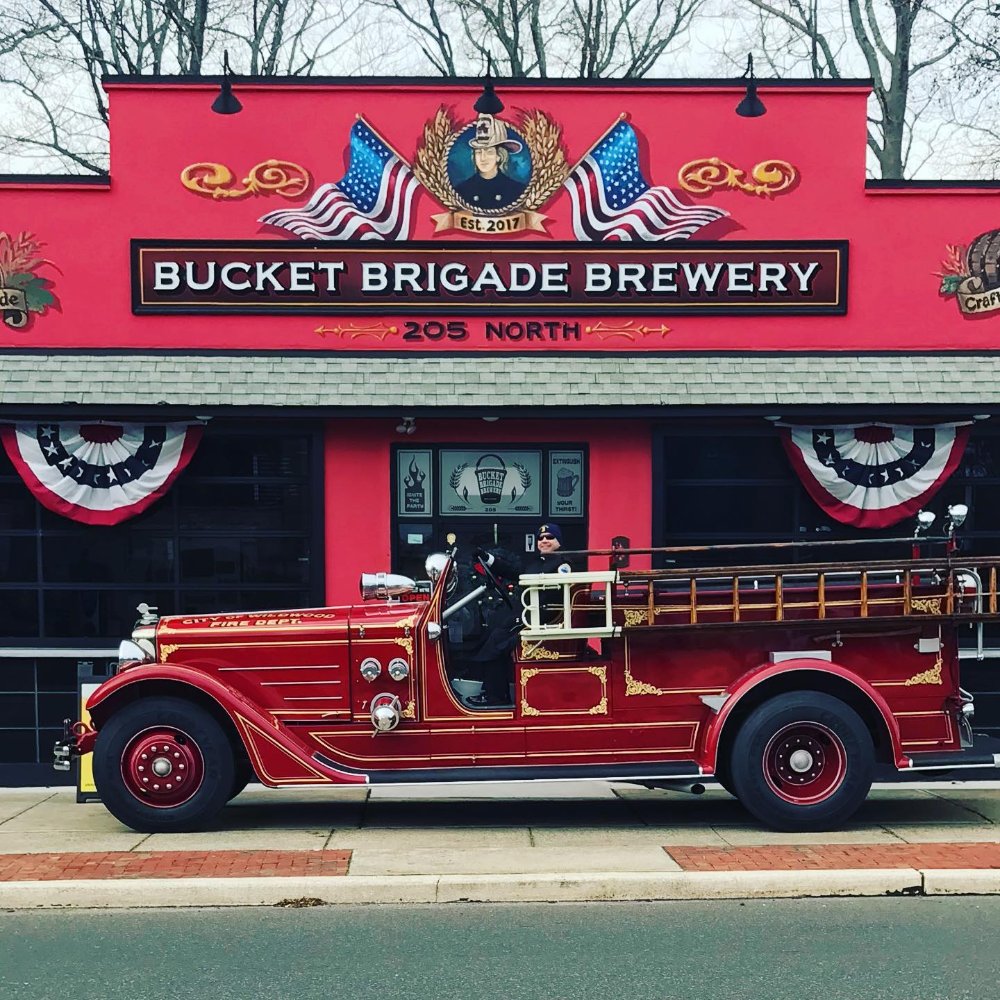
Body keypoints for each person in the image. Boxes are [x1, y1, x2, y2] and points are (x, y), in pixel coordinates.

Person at [465, 523, 579, 707]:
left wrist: (525, 617)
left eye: (550, 537)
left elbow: (554, 594)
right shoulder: (536, 563)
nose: (544, 541)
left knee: (497, 639)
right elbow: (512, 571)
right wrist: (487, 558)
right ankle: (493, 690)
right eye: (541, 538)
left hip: (542, 618)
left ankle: (495, 696)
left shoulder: (563, 564)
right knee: (490, 630)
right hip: (527, 614)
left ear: (559, 541)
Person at [453, 114, 527, 210]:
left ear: (499, 156)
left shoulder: (516, 190)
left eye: (489, 152)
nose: (483, 158)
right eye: (479, 152)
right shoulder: (461, 190)